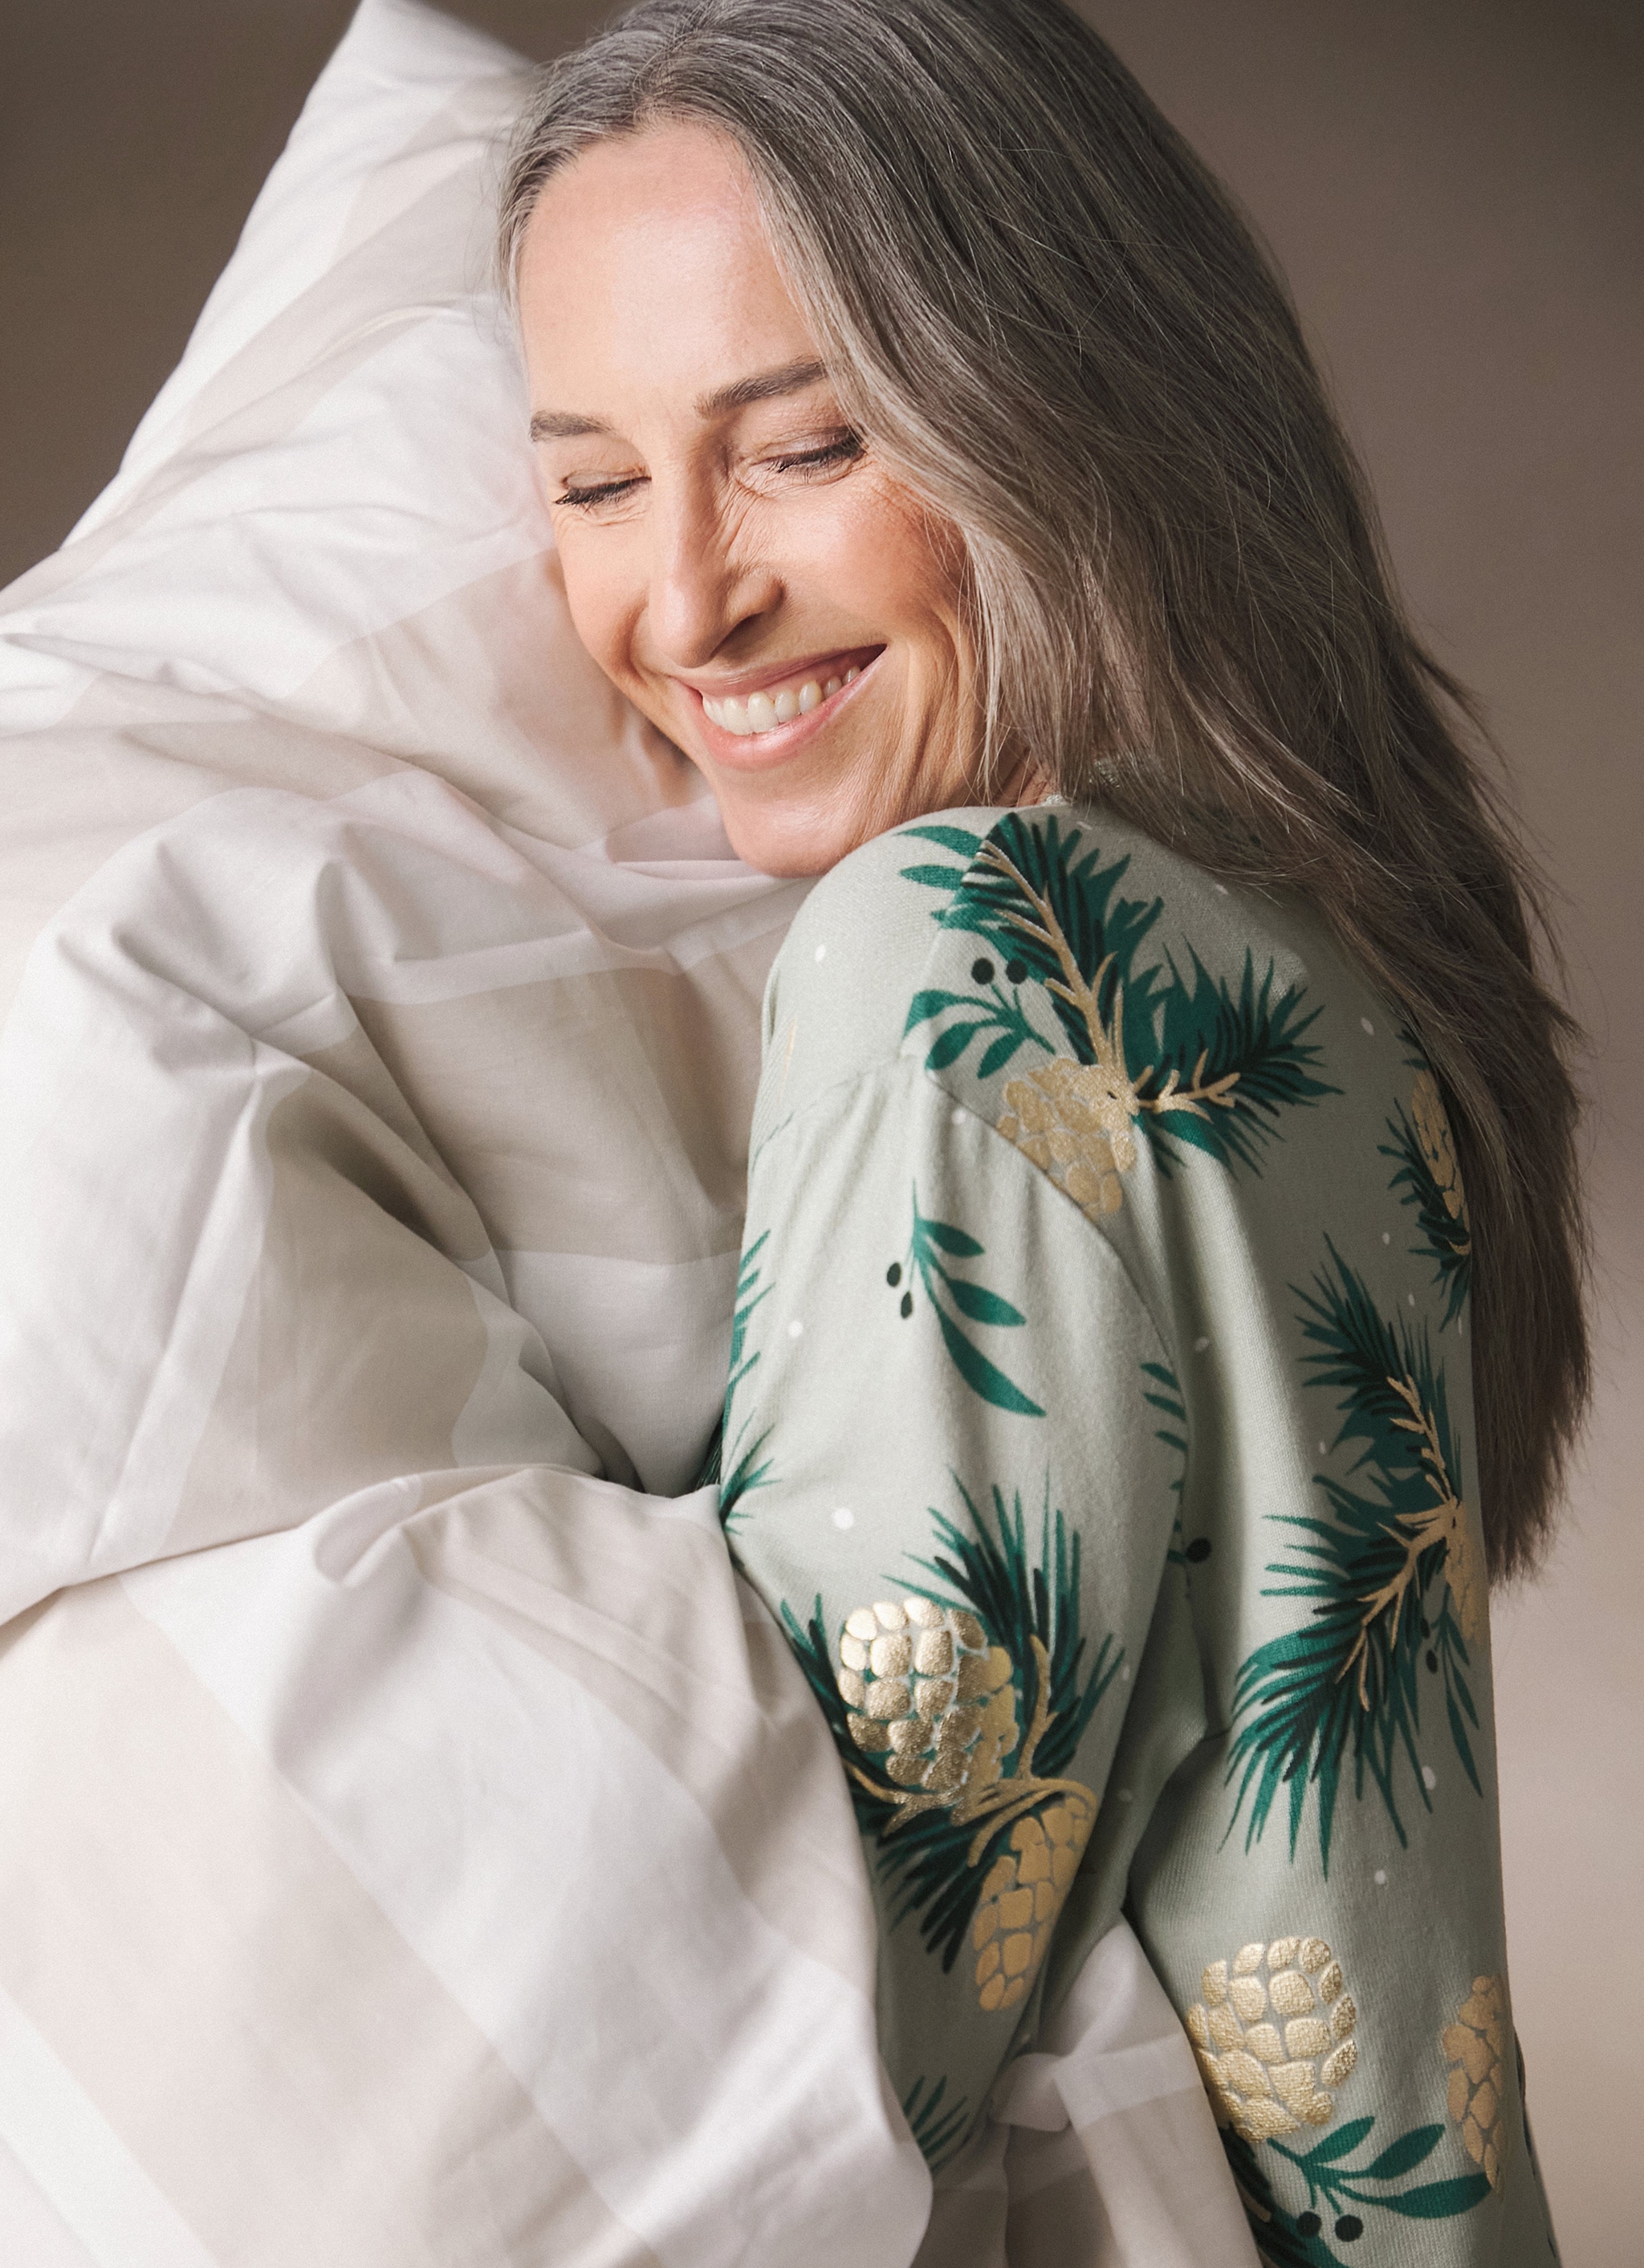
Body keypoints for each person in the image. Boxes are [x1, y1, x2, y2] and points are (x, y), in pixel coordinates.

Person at [499, 0, 1587, 2257]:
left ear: (1066, 417)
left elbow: (808, 2027)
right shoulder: (1333, 960)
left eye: (799, 447)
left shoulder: (966, 952)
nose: (681, 596)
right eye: (594, 480)